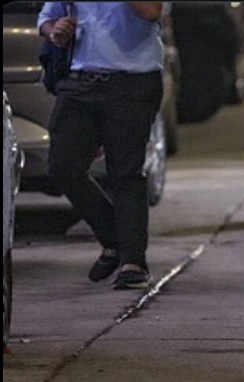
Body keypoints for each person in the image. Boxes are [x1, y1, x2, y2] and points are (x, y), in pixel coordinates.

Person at [38, 3, 167, 289]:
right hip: (81, 81)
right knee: (63, 166)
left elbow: (151, 11)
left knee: (125, 172)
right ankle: (114, 240)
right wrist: (55, 31)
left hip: (133, 82)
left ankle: (133, 262)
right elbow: (47, 18)